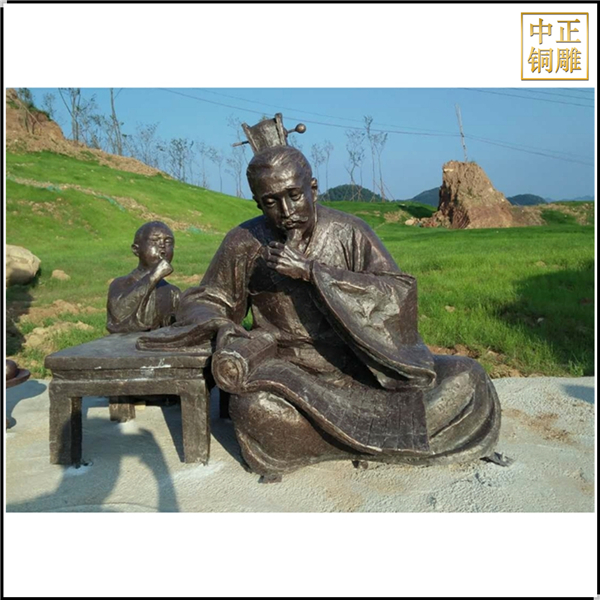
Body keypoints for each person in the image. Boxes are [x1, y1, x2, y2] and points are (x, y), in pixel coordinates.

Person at [172, 146, 501, 481]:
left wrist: (313, 273)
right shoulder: (245, 242)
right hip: (291, 377)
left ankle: (331, 442)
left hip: (363, 370)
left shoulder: (349, 232)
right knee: (252, 408)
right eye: (271, 202)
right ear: (258, 203)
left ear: (313, 189)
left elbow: (396, 294)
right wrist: (222, 327)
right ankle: (383, 440)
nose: (286, 211)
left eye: (294, 195)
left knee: (468, 377)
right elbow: (205, 299)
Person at [107, 221, 181, 333]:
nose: (162, 246)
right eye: (155, 241)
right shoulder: (121, 284)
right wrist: (154, 276)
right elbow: (118, 318)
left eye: (168, 242)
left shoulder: (173, 293)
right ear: (136, 250)